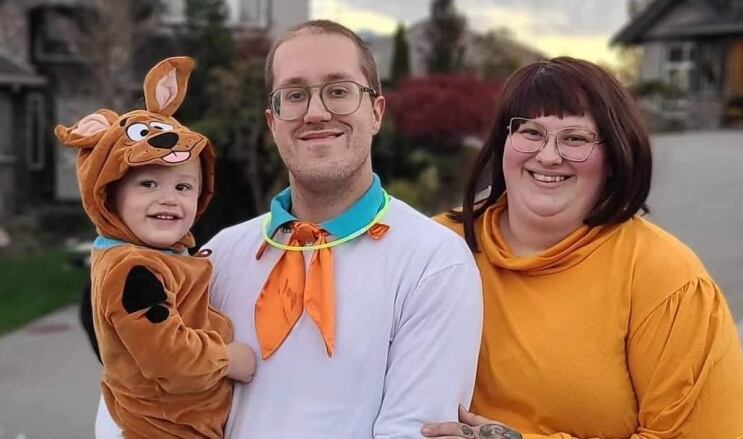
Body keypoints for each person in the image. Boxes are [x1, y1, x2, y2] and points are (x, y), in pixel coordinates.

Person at [95, 20, 483, 438]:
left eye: (338, 90)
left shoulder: (434, 263)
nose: (316, 112)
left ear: (376, 112)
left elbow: (412, 431)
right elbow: (137, 389)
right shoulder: (221, 255)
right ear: (272, 123)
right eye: (294, 95)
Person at [423, 57, 743, 439]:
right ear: (502, 144)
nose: (548, 155)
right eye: (531, 132)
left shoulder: (665, 278)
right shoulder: (435, 247)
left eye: (575, 138)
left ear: (614, 157)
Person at [56, 57, 257, 438]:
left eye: (183, 187)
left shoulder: (156, 257)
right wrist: (229, 359)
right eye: (148, 184)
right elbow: (169, 357)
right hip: (165, 430)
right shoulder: (133, 271)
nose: (168, 199)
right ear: (109, 195)